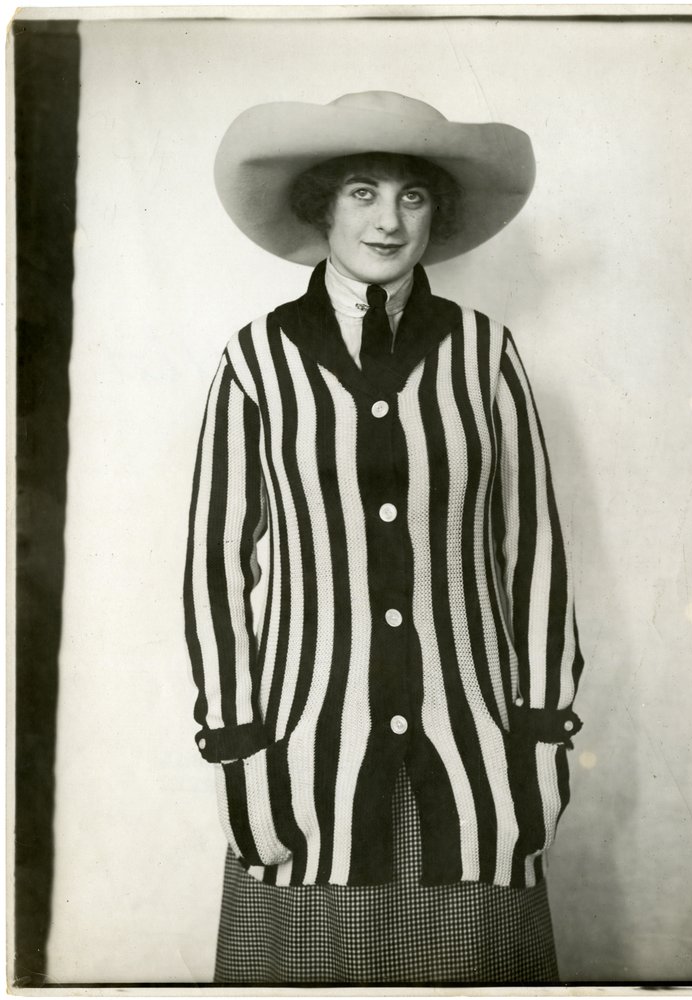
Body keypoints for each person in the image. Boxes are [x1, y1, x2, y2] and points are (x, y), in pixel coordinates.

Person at [184, 90, 584, 985]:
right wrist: (239, 750)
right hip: (303, 776)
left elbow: (538, 556)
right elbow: (214, 567)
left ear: (435, 214)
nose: (388, 219)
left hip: (478, 762)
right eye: (361, 192)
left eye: (411, 196)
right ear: (322, 205)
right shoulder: (256, 362)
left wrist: (545, 741)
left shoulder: (487, 356)